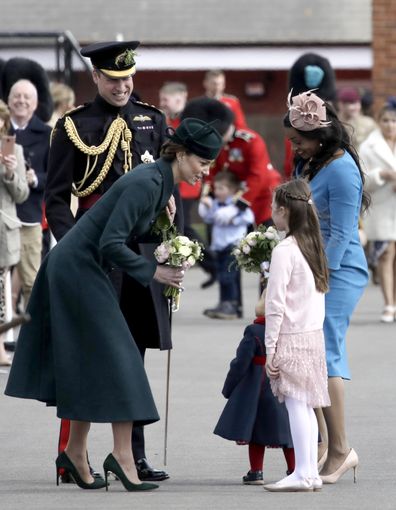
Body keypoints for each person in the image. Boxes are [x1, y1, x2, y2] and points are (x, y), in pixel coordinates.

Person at [5, 117, 224, 492]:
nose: (206, 172)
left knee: (93, 363)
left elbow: (122, 232)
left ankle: (74, 452)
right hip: (77, 269)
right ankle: (122, 458)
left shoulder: (158, 181)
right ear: (183, 154)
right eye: (203, 163)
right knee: (123, 361)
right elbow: (110, 243)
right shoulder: (149, 182)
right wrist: (154, 273)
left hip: (82, 268)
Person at [44, 40, 173, 483]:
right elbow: (57, 198)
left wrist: (171, 244)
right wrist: (75, 245)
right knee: (86, 354)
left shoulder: (152, 120)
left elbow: (166, 189)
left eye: (128, 78)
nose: (122, 86)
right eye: (113, 79)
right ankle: (71, 453)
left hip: (140, 252)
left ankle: (131, 455)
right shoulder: (75, 125)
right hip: (96, 253)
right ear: (95, 77)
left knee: (131, 355)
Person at [284, 90, 369, 484]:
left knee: (325, 352)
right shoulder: (312, 164)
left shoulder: (342, 169)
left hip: (339, 270)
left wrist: (321, 276)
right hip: (312, 267)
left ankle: (341, 449)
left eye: (299, 140)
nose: (294, 147)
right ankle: (323, 444)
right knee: (308, 352)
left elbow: (342, 233)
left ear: (321, 136)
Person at [263, 179, 330, 493]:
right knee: (306, 405)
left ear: (283, 210)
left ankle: (303, 472)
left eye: (274, 207)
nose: (271, 212)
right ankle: (309, 471)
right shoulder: (312, 245)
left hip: (290, 336)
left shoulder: (284, 250)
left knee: (296, 405)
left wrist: (270, 347)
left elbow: (274, 304)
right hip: (312, 335)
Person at [213, 288, 295, 485]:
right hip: (285, 384)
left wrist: (229, 387)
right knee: (289, 431)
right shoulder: (291, 329)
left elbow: (240, 363)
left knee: (257, 432)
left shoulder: (254, 331)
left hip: (258, 388)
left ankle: (256, 472)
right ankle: (294, 469)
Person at [7, 79, 51, 309]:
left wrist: (35, 178)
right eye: (17, 96)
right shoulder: (2, 130)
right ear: (9, 100)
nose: (21, 101)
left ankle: (36, 338)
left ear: (35, 104)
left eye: (27, 98)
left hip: (30, 216)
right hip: (3, 214)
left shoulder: (47, 134)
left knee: (31, 280)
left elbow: (55, 176)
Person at [199, 170, 254, 319]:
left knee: (228, 276)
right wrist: (206, 207)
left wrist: (233, 219)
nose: (217, 192)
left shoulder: (237, 205)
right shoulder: (216, 204)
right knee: (222, 276)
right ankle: (224, 303)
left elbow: (249, 218)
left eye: (221, 188)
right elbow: (210, 218)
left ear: (232, 190)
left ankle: (232, 305)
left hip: (233, 245)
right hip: (220, 246)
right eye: (215, 188)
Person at [359, 102, 396, 322]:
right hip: (382, 207)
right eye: (385, 120)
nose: (390, 125)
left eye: (394, 120)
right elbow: (362, 179)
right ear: (378, 122)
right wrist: (382, 174)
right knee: (385, 254)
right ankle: (389, 304)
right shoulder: (368, 146)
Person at [0, 100, 29, 365]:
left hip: (2, 229)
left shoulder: (13, 150)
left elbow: (21, 193)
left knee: (1, 289)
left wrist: (9, 172)